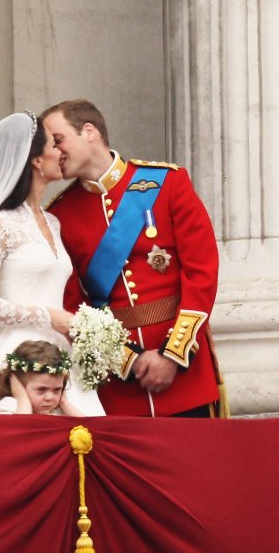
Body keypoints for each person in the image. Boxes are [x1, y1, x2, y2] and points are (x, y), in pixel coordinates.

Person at [42, 99, 223, 417]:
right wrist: (129, 360)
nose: (55, 153)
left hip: (186, 374)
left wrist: (172, 354)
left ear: (89, 132)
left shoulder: (168, 183)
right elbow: (72, 305)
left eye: (58, 141)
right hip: (120, 385)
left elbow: (201, 274)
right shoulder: (60, 213)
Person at [0, 111, 103, 415]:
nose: (62, 152)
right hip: (15, 354)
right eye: (55, 145)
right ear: (36, 160)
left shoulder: (54, 221)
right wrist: (48, 317)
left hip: (61, 354)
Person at [0, 341, 84, 416]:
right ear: (19, 386)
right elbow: (17, 433)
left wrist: (64, 403)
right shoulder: (7, 407)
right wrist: (23, 399)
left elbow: (89, 430)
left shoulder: (58, 411)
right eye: (41, 389)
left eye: (57, 389)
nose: (50, 397)